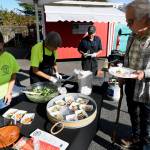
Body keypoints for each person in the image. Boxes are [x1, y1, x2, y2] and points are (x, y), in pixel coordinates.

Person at [119, 0, 150, 149]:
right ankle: (136, 137)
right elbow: (127, 58)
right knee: (133, 114)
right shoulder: (133, 36)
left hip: (147, 88)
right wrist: (122, 74)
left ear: (147, 19)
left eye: (130, 21)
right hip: (131, 83)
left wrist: (145, 73)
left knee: (147, 121)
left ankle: (145, 145)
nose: (128, 25)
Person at [0, 32, 20, 105]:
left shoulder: (9, 57)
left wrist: (9, 92)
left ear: (2, 44)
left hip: (5, 97)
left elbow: (13, 75)